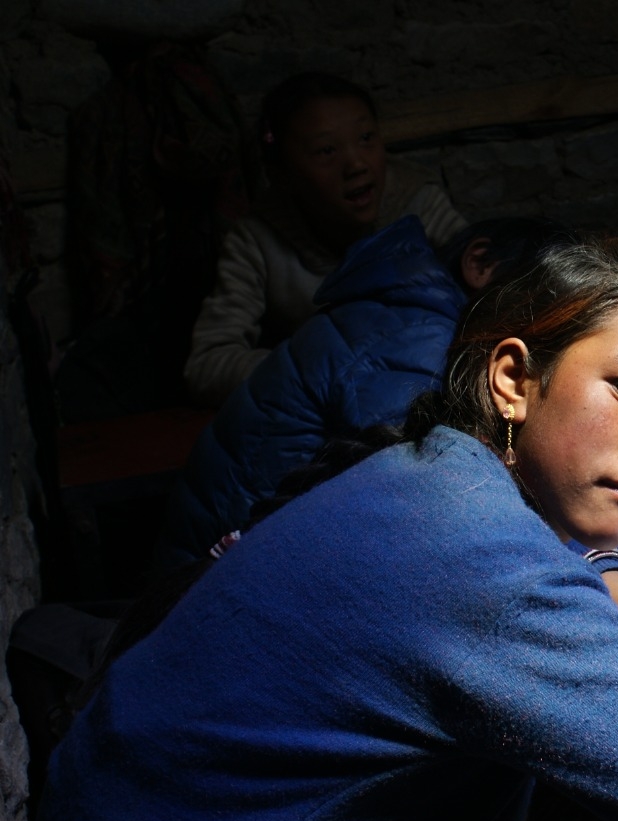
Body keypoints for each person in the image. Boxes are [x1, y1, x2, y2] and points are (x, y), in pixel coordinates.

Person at [34, 235, 618, 821]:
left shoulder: (425, 474)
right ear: (514, 380)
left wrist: (609, 575)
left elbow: (542, 554)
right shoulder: (481, 563)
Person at [157, 213, 576, 571]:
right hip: (213, 572)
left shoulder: (409, 316)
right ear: (480, 263)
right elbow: (427, 499)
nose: (539, 330)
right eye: (534, 303)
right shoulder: (415, 339)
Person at [184, 71, 467, 406]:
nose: (356, 164)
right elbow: (206, 366)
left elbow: (489, 300)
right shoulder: (258, 239)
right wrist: (321, 363)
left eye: (366, 138)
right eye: (326, 150)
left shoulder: (417, 206)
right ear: (282, 174)